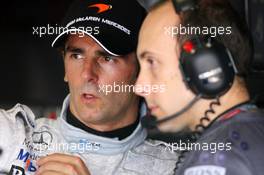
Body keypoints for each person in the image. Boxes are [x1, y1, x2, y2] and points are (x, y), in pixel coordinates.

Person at [0, 0, 178, 174]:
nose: (87, 74)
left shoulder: (177, 168)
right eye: (76, 55)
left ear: (141, 71)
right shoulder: (10, 135)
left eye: (107, 58)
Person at [135, 0, 264, 174]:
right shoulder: (252, 133)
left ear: (206, 65)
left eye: (152, 62)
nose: (139, 87)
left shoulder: (218, 160)